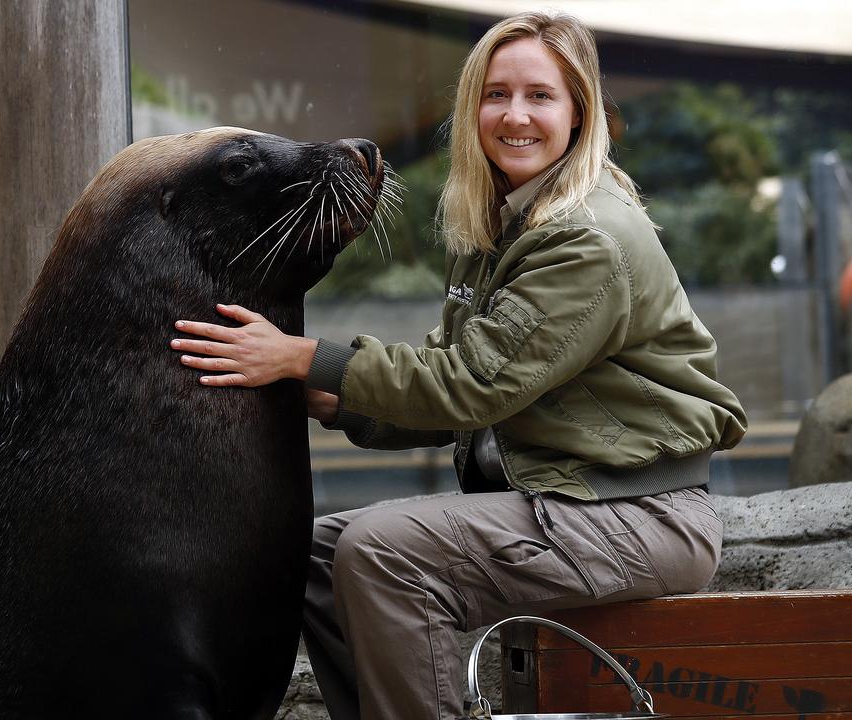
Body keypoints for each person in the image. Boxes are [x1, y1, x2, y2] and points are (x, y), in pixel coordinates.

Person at [169, 11, 748, 720]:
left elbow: (474, 385)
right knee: (317, 553)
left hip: (638, 514)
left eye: (540, 96)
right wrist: (333, 395)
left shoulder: (585, 238)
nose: (515, 115)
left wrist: (304, 356)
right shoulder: (502, 221)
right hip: (568, 498)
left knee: (384, 553)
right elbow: (460, 373)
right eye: (496, 94)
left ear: (578, 113)